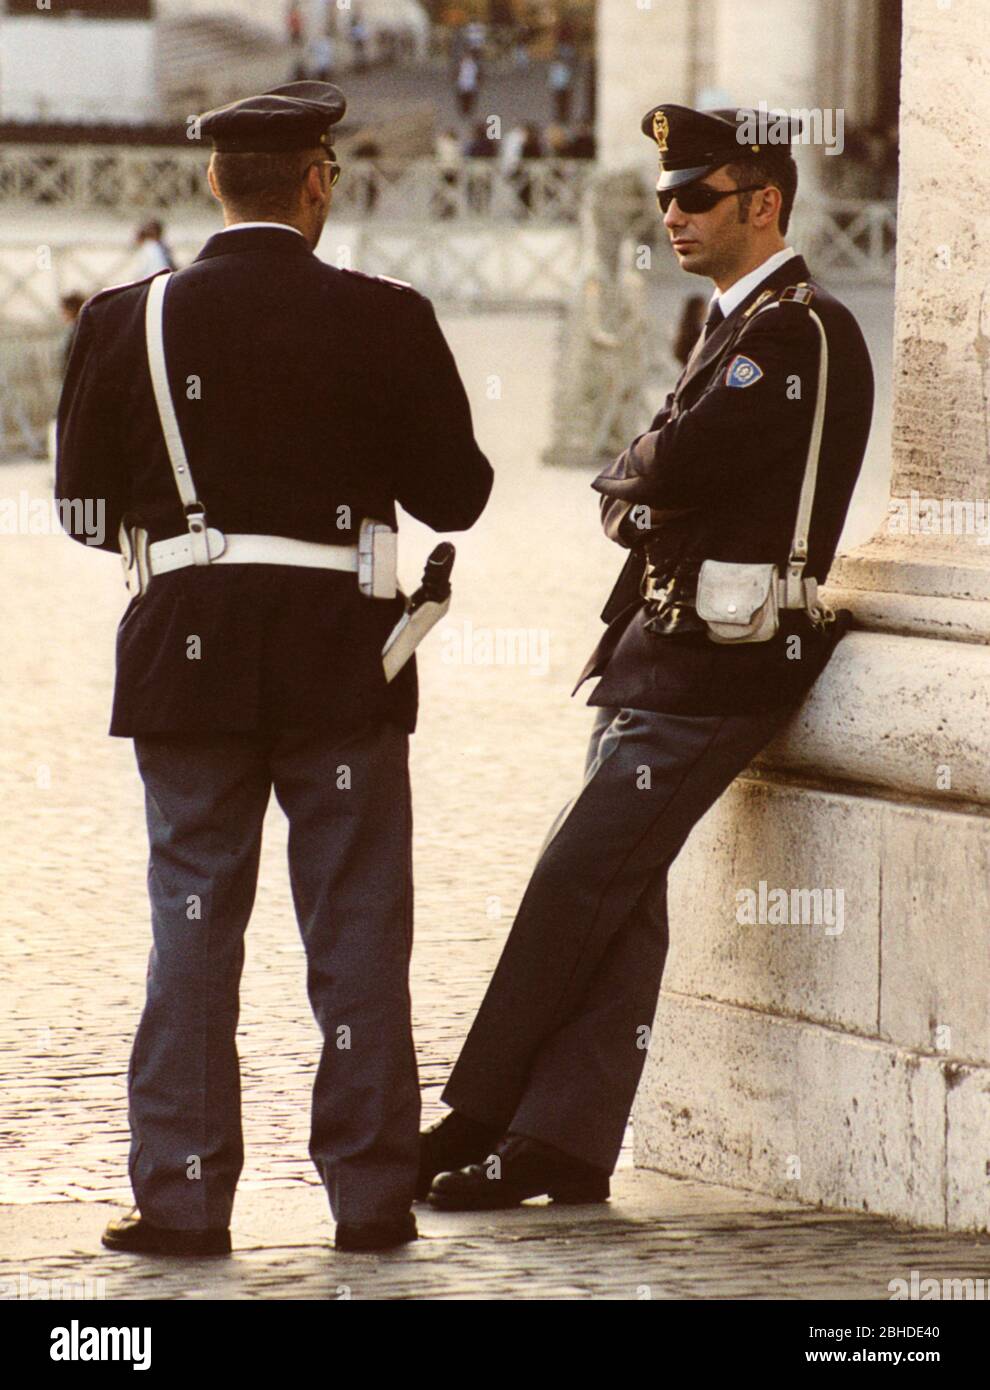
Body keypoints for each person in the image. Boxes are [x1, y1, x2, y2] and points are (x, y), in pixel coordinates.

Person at [55, 81, 492, 1254]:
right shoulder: (386, 314)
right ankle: (369, 1198)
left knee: (192, 924)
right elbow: (460, 494)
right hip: (341, 656)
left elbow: (84, 509)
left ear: (212, 182)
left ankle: (184, 1200)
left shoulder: (123, 317)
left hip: (184, 660)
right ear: (315, 184)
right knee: (355, 930)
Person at [418, 102, 874, 1210]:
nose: (672, 214)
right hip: (661, 652)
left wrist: (640, 479)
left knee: (577, 877)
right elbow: (656, 470)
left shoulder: (794, 329)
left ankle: (473, 1112)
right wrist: (645, 477)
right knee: (618, 897)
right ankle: (560, 1148)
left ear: (764, 203)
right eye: (667, 196)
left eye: (697, 196)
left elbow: (670, 464)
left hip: (718, 663)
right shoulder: (733, 320)